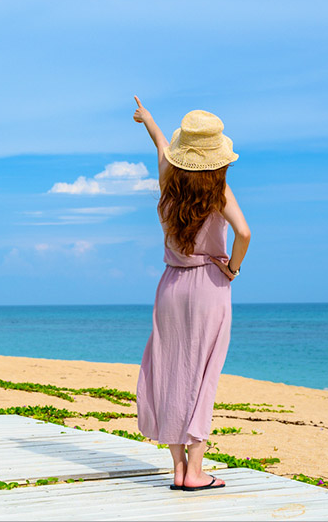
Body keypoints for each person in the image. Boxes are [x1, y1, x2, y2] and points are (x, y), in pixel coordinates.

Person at [132, 95, 251, 491]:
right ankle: (196, 473)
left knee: (170, 372)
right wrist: (232, 268)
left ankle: (178, 469)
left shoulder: (169, 178)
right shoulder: (219, 192)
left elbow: (161, 145)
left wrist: (148, 119)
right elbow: (245, 233)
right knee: (204, 375)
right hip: (208, 288)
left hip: (171, 285)